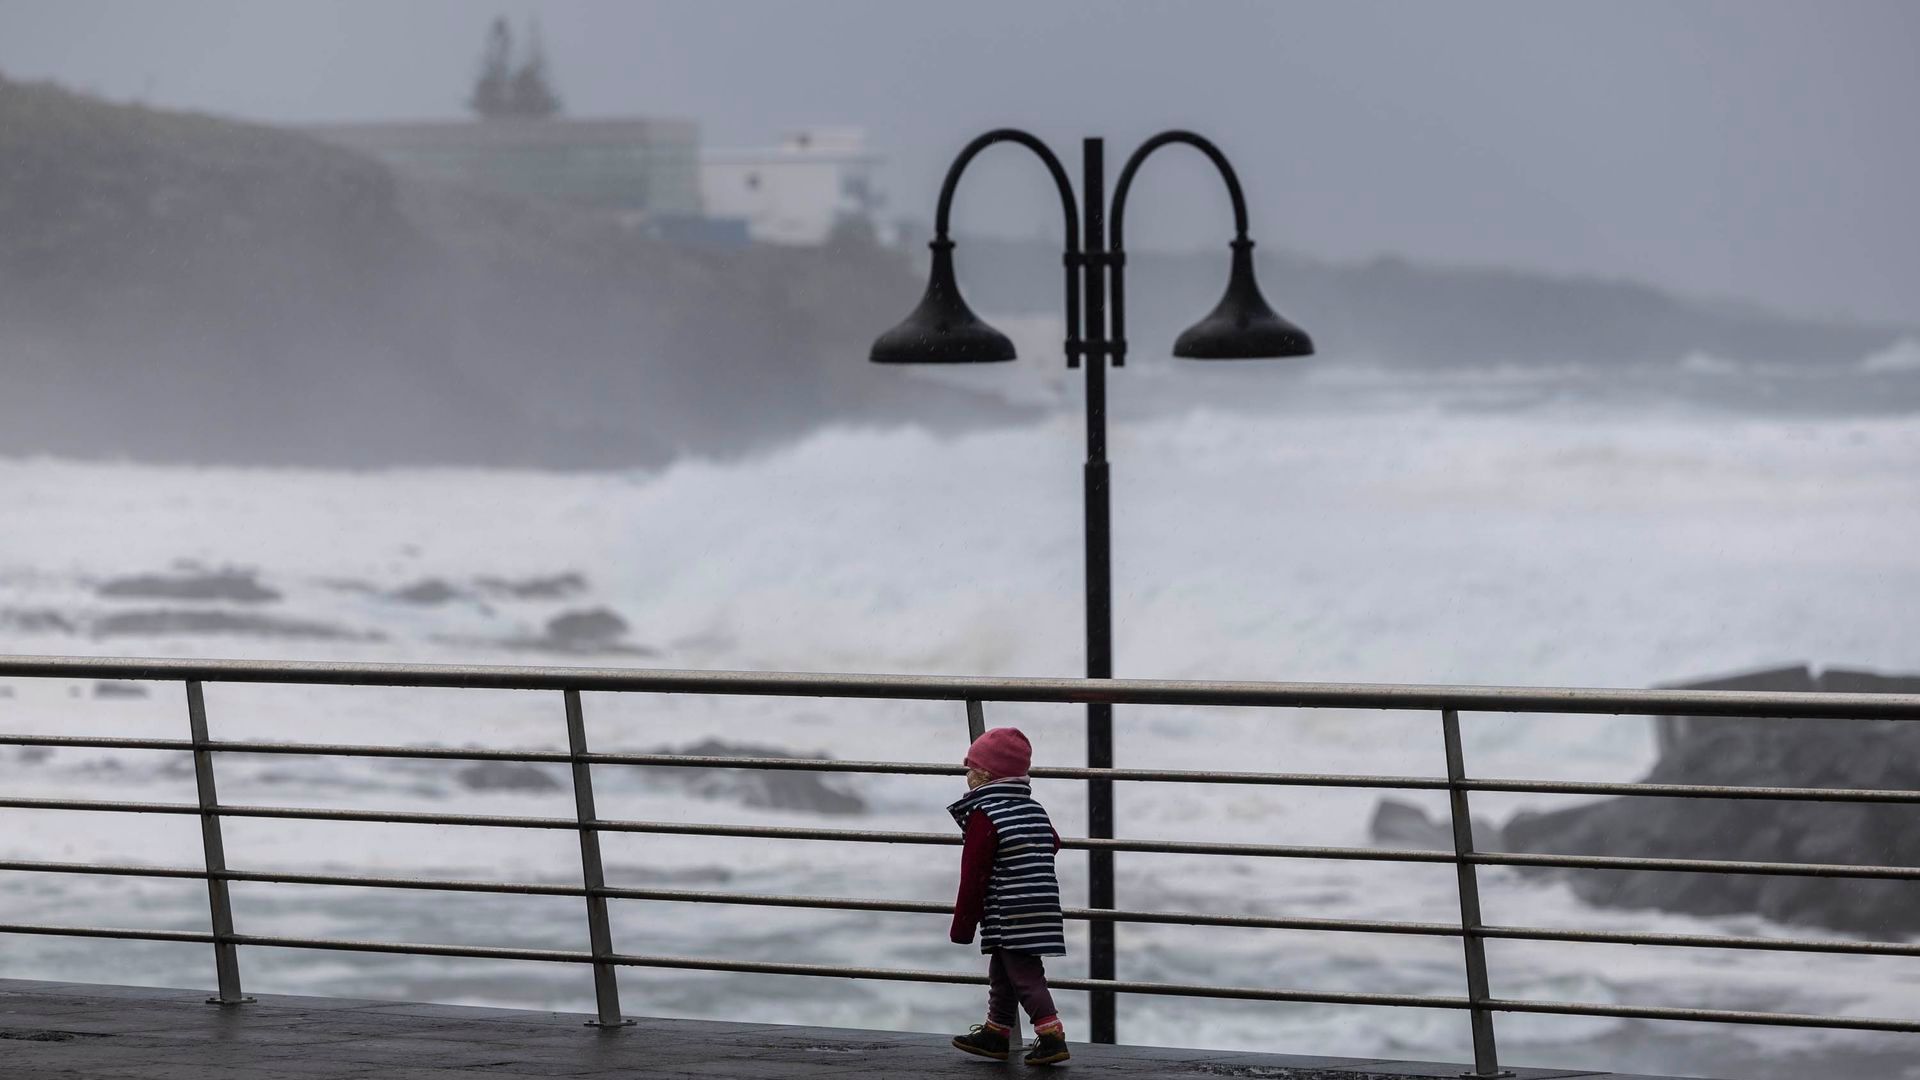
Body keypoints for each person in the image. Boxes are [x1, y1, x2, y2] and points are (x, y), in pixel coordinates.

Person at [947, 726, 1069, 1066]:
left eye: (970, 769)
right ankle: (996, 1031)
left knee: (1026, 975)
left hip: (1008, 909)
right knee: (1003, 969)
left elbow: (973, 875)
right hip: (1039, 904)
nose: (967, 776)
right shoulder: (1032, 809)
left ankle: (1051, 1035)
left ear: (986, 774)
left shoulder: (985, 816)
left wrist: (962, 927)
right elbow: (1052, 843)